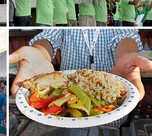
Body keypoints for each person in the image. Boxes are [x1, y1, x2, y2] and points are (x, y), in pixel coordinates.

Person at [9, 29, 152, 127]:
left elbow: (124, 34)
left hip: (112, 116)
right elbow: (50, 35)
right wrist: (38, 52)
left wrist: (127, 55)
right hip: (65, 120)